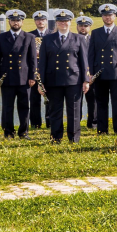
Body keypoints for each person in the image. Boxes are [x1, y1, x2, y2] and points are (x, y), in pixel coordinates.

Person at [39, 10, 90, 143]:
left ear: (70, 22)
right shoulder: (48, 39)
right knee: (55, 110)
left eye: (66, 21)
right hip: (53, 80)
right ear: (56, 22)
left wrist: (86, 80)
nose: (63, 23)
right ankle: (56, 137)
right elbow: (42, 62)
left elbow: (84, 61)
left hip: (73, 80)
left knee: (74, 111)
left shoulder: (78, 38)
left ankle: (74, 138)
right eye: (60, 21)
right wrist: (41, 82)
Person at [0, 10, 38, 139]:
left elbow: (32, 60)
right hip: (7, 78)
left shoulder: (29, 37)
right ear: (9, 22)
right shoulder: (1, 37)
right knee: (7, 107)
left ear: (22, 22)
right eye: (13, 20)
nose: (15, 23)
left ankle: (23, 132)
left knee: (24, 107)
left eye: (18, 20)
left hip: (24, 78)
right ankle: (8, 132)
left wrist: (32, 76)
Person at [87, 3, 117, 134]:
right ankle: (102, 130)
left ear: (115, 16)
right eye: (105, 15)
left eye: (110, 15)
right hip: (99, 73)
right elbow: (91, 54)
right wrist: (90, 73)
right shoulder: (95, 33)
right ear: (102, 17)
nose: (107, 18)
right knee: (101, 103)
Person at [75, 15, 97, 128]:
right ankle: (76, 123)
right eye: (80, 26)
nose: (83, 28)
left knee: (92, 101)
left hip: (91, 75)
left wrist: (92, 74)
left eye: (85, 26)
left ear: (90, 27)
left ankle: (92, 123)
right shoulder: (72, 38)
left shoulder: (94, 40)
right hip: (76, 76)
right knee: (76, 101)